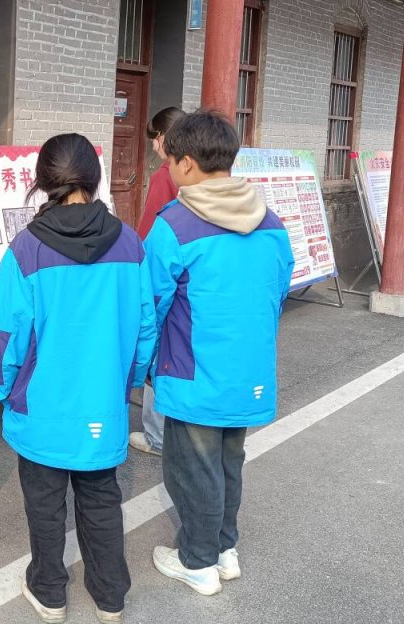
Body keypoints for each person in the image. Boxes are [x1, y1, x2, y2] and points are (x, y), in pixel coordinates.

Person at [0, 133, 157, 623]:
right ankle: (110, 597)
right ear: (94, 179)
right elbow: (146, 326)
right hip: (103, 404)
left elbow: (5, 333)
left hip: (41, 408)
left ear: (43, 182)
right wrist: (129, 381)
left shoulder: (27, 249)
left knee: (45, 505)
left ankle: (50, 593)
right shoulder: (130, 243)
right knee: (102, 498)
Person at [143, 111, 294, 596]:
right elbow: (278, 290)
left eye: (171, 161)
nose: (169, 170)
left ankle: (198, 560)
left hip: (193, 370)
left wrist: (141, 366)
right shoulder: (271, 223)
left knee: (192, 467)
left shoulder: (174, 225)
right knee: (230, 461)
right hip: (250, 369)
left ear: (186, 163)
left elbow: (149, 306)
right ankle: (225, 547)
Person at [130, 105, 186, 458]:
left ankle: (156, 435)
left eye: (155, 138)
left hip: (162, 272)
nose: (153, 146)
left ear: (166, 137)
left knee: (157, 348)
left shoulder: (167, 175)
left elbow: (150, 230)